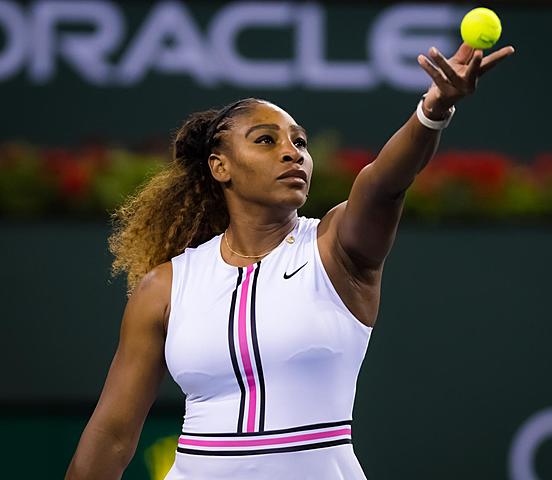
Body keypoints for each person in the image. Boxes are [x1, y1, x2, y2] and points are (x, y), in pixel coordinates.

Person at [65, 42, 514, 479]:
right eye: (266, 140)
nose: (292, 151)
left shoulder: (336, 248)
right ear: (220, 167)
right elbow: (111, 436)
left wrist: (433, 110)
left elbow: (384, 185)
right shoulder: (165, 286)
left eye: (300, 142)